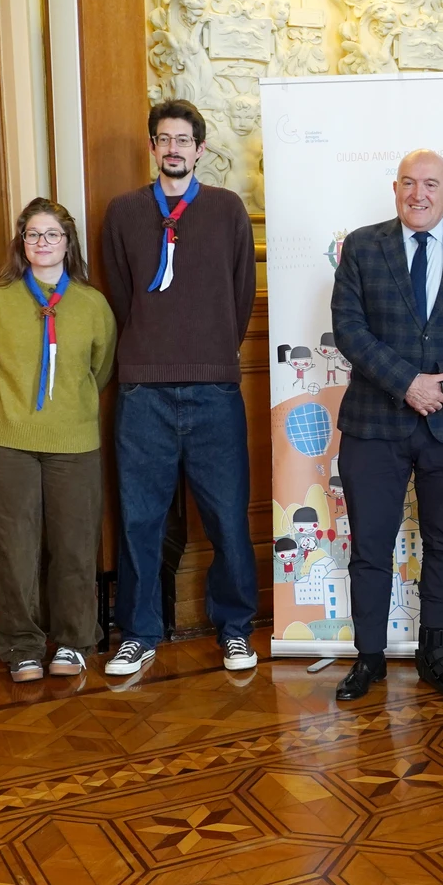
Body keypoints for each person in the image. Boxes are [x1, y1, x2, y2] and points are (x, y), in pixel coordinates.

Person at [329, 149, 443, 701]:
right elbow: (350, 330)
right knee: (372, 545)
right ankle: (369, 657)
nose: (418, 194)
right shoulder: (361, 246)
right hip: (374, 422)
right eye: (408, 183)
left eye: (430, 184)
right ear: (395, 189)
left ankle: (440, 648)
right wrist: (408, 383)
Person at [99, 99, 259, 676]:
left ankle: (236, 628)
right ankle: (139, 632)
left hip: (214, 390)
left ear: (200, 149)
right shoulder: (123, 213)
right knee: (139, 518)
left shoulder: (225, 209)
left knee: (226, 518)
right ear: (152, 147)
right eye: (163, 139)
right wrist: (149, 353)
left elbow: (240, 295)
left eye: (183, 140)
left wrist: (212, 353)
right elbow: (121, 297)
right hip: (143, 392)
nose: (173, 149)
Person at [0, 199, 116, 682]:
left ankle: (73, 640)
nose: (42, 243)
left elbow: (102, 366)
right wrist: (1, 395)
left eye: (52, 234)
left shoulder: (92, 303)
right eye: (33, 234)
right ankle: (22, 644)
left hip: (73, 439)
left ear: (68, 244)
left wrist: (66, 404)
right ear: (21, 242)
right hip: (4, 437)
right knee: (11, 544)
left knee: (75, 542)